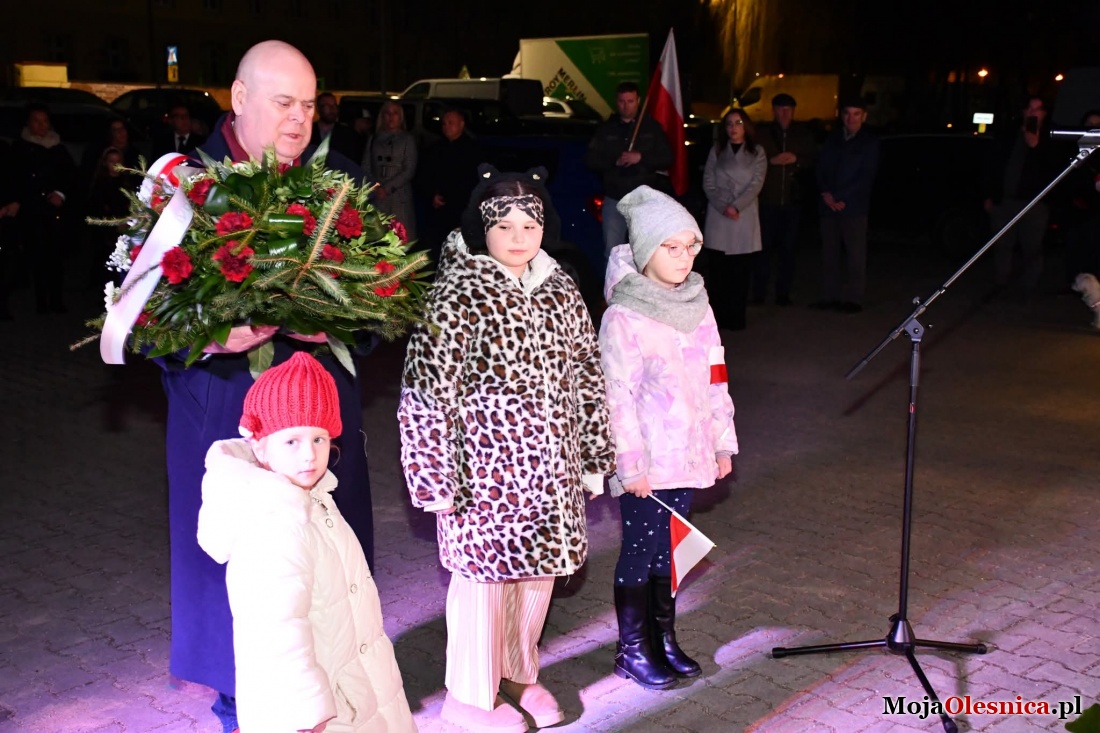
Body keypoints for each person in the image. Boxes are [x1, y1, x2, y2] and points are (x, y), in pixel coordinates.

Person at [158, 40, 375, 733]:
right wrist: (207, 336)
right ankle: (238, 708)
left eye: (309, 105)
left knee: (326, 583)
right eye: (284, 103)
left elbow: (384, 302)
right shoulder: (184, 185)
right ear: (240, 98)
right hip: (226, 414)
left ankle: (339, 701)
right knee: (241, 585)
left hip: (319, 425)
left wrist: (336, 319)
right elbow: (137, 317)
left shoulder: (340, 181)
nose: (299, 119)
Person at [398, 164, 614, 733]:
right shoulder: (455, 294)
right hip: (483, 478)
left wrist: (593, 456)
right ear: (482, 229)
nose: (519, 237)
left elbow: (587, 373)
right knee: (485, 585)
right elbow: (426, 391)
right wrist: (433, 474)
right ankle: (468, 696)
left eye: (530, 225)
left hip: (551, 472)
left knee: (536, 579)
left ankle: (518, 672)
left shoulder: (561, 287)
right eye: (505, 226)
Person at [196, 352, 417, 733]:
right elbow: (277, 629)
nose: (309, 455)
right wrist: (305, 714)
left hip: (349, 687)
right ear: (260, 445)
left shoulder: (313, 499)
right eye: (292, 441)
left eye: (319, 438)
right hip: (319, 711)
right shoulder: (275, 522)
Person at [600, 185, 737, 689]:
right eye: (670, 247)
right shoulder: (624, 316)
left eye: (690, 247)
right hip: (649, 462)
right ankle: (632, 649)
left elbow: (716, 376)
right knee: (640, 549)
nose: (683, 258)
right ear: (645, 250)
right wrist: (629, 466)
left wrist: (722, 441)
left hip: (690, 454)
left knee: (670, 549)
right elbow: (616, 396)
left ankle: (663, 637)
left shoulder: (698, 306)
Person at [982, 96, 1066, 300]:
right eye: (1029, 108)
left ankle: (1028, 287)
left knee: (1032, 248)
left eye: (1038, 109)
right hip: (1005, 201)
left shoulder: (1052, 135)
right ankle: (1001, 283)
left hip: (1035, 203)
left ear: (1044, 114)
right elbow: (993, 164)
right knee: (1002, 244)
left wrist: (1036, 143)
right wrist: (989, 194)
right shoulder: (1008, 132)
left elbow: (1054, 167)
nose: (1032, 113)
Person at [586, 81, 675, 259]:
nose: (626, 106)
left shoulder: (651, 127)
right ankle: (617, 279)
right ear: (616, 101)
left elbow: (667, 158)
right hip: (615, 198)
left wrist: (641, 157)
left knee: (645, 252)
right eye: (622, 101)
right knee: (613, 252)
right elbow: (590, 160)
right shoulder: (606, 129)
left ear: (638, 101)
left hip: (643, 199)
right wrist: (614, 161)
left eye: (630, 101)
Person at [811, 98, 879, 314]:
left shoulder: (869, 142)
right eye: (848, 113)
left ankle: (853, 299)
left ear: (864, 116)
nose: (851, 118)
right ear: (842, 116)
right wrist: (826, 194)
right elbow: (820, 168)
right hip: (828, 206)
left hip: (853, 207)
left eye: (856, 114)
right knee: (829, 253)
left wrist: (840, 197)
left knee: (855, 255)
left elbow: (865, 177)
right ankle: (829, 295)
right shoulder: (832, 139)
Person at [702, 108, 767, 331]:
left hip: (743, 216)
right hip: (719, 215)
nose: (733, 128)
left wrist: (736, 206)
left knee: (739, 272)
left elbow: (756, 184)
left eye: (738, 123)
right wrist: (723, 205)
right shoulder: (717, 150)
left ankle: (736, 318)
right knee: (718, 272)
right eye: (729, 123)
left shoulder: (757, 152)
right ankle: (717, 319)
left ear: (746, 126)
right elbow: (708, 182)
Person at [9, 102, 76, 314]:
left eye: (45, 121)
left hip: (54, 211)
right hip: (32, 210)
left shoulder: (58, 148)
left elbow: (70, 176)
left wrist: (60, 194)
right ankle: (41, 301)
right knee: (37, 255)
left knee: (56, 256)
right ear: (28, 123)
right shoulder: (20, 148)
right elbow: (15, 179)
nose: (41, 125)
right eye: (36, 121)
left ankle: (56, 299)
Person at [752, 93, 818, 306]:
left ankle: (783, 293)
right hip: (767, 202)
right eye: (780, 109)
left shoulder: (802, 134)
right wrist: (770, 162)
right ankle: (760, 292)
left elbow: (813, 159)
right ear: (774, 111)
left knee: (788, 250)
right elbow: (752, 159)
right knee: (763, 250)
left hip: (792, 201)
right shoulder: (763, 134)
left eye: (788, 109)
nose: (784, 113)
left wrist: (796, 160)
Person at [414, 108, 481, 265]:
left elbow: (471, 181)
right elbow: (423, 176)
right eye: (444, 123)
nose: (446, 127)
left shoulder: (472, 150)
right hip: (438, 210)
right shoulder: (435, 148)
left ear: (461, 124)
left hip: (460, 210)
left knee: (459, 250)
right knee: (436, 249)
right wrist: (432, 195)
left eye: (451, 123)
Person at [365, 100, 418, 241]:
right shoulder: (373, 139)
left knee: (400, 237)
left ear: (401, 117)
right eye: (387, 113)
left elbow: (409, 169)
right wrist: (374, 187)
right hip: (377, 195)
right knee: (377, 236)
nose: (391, 117)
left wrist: (387, 188)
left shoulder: (408, 139)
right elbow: (366, 166)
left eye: (395, 113)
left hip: (399, 196)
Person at [1062, 109, 1100, 285]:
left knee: (1093, 248)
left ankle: (1093, 285)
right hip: (1074, 207)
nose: (1093, 127)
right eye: (1089, 124)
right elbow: (1068, 178)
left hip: (1096, 209)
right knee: (1073, 246)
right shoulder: (1075, 148)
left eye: (1097, 125)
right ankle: (1073, 283)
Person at [311, 92, 364, 163]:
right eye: (327, 106)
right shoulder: (309, 131)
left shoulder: (347, 134)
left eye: (334, 105)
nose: (332, 109)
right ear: (318, 109)